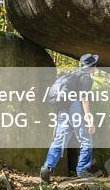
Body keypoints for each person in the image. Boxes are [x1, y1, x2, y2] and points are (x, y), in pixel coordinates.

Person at [40, 54, 99, 182]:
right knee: (86, 140)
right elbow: (84, 99)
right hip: (75, 107)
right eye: (95, 65)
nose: (96, 67)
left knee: (59, 140)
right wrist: (89, 121)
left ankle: (47, 168)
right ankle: (82, 170)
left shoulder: (73, 75)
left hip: (63, 109)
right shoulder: (86, 78)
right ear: (91, 67)